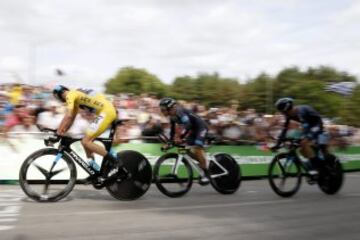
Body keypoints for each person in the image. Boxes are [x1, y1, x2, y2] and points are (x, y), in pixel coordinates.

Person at [52, 85, 126, 177]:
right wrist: (62, 131)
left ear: (59, 95)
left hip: (106, 112)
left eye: (56, 98)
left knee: (86, 141)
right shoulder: (75, 96)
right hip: (105, 111)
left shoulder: (70, 95)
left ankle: (116, 162)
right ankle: (94, 171)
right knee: (85, 141)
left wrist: (58, 132)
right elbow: (71, 119)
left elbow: (68, 116)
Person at [272, 97, 328, 178]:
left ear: (287, 109)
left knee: (303, 142)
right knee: (301, 149)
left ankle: (314, 167)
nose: (283, 114)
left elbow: (305, 128)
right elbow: (284, 130)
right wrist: (278, 144)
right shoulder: (289, 115)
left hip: (317, 124)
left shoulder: (301, 112)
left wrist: (304, 138)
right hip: (308, 127)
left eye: (283, 112)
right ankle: (312, 161)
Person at [159, 97, 210, 185]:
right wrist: (169, 142)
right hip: (193, 130)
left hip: (201, 127)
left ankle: (206, 175)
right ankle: (202, 162)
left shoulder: (179, 112)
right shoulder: (172, 116)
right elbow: (172, 131)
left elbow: (188, 124)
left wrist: (180, 136)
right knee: (185, 150)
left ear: (170, 108)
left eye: (163, 109)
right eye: (161, 109)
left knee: (197, 147)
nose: (162, 111)